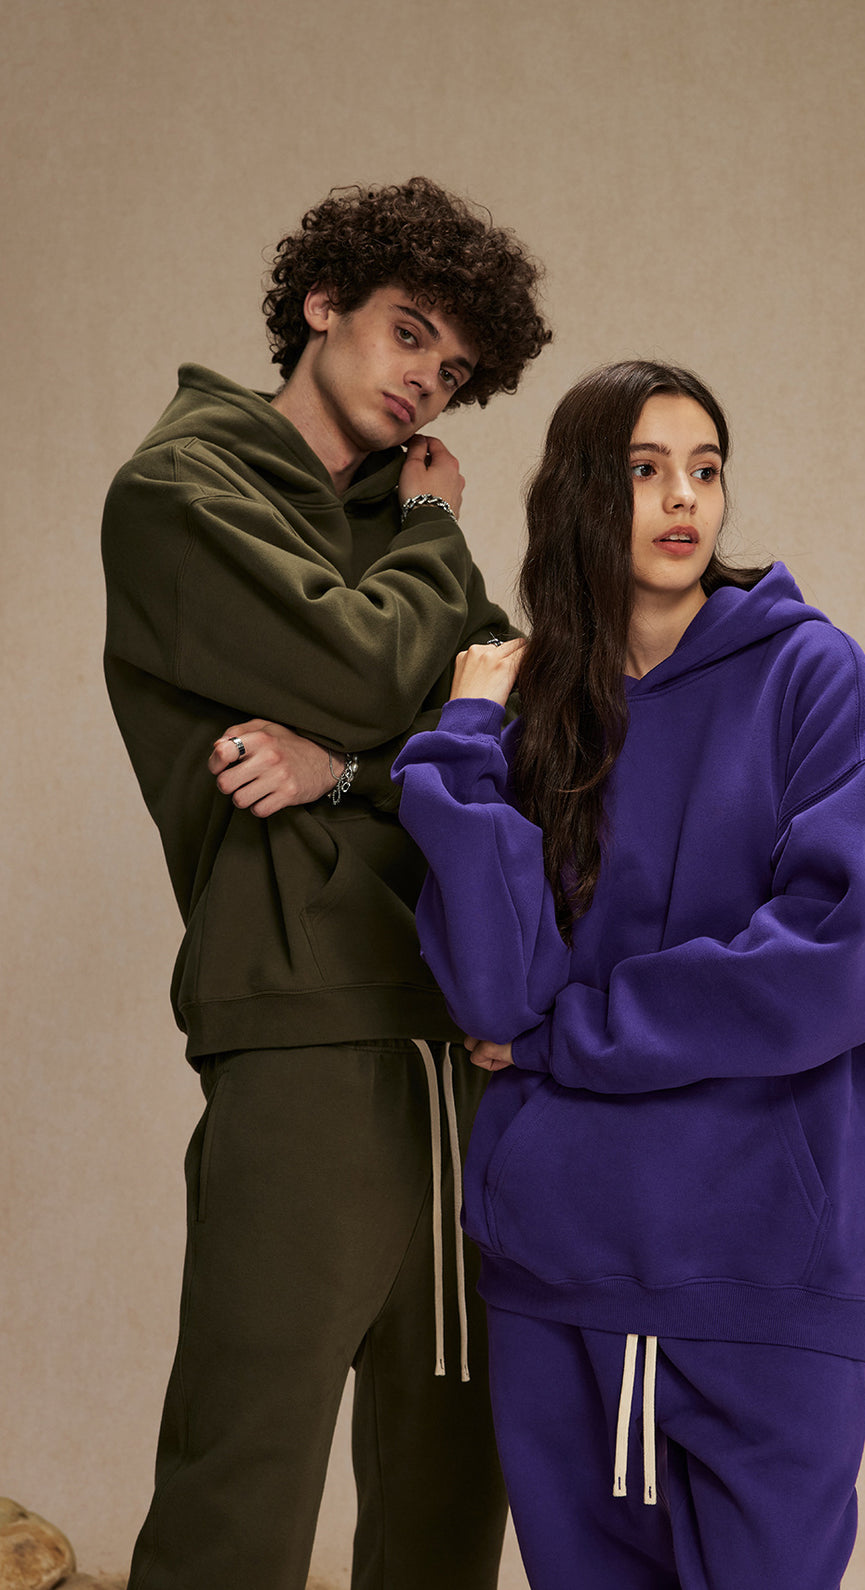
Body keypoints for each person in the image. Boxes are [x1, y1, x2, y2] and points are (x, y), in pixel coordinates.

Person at [387, 361, 865, 1589]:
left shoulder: (806, 672)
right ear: (581, 495)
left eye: (704, 468)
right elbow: (493, 996)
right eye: (645, 470)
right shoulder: (535, 709)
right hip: (560, 1258)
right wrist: (468, 739)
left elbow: (845, 951)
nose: (684, 497)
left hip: (761, 1256)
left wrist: (566, 1033)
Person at [101, 177, 551, 1590]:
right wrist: (432, 546)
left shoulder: (393, 531)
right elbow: (367, 668)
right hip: (299, 1023)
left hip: (460, 1037)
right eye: (409, 333)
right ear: (322, 303)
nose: (425, 381)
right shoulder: (178, 494)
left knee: (449, 1477)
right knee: (245, 1474)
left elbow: (511, 749)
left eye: (453, 371)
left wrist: (346, 765)